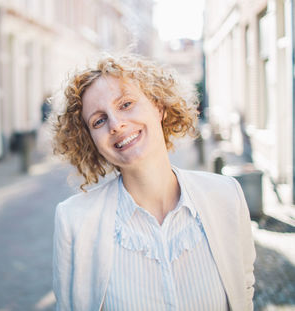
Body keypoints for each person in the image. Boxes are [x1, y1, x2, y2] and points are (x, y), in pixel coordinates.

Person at [51, 54, 255, 311]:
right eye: (99, 120)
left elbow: (244, 293)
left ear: (158, 107)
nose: (116, 124)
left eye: (125, 104)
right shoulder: (74, 221)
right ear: (90, 139)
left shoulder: (226, 196)